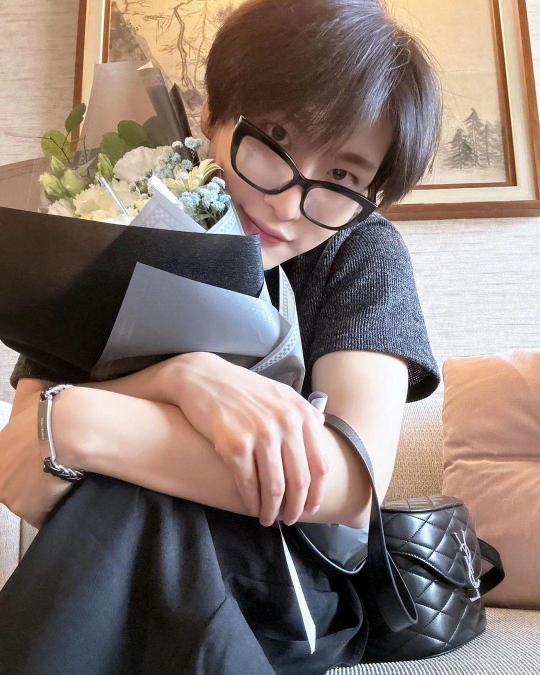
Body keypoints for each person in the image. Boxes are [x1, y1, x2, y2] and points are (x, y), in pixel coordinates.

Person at [0, 0, 443, 673]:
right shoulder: (113, 229)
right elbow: (21, 476)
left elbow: (349, 481)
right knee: (136, 506)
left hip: (277, 593)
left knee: (133, 500)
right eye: (276, 134)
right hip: (108, 578)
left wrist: (79, 418)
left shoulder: (358, 251)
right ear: (211, 113)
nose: (287, 201)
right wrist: (185, 381)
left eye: (343, 176)